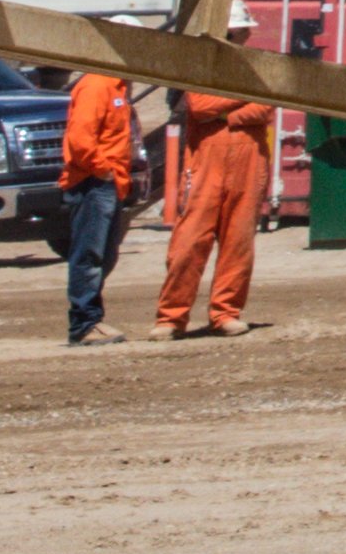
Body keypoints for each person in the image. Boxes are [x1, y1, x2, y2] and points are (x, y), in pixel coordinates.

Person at [149, 71, 276, 340]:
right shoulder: (202, 69)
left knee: (238, 243)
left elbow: (265, 107)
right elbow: (200, 106)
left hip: (249, 163)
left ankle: (226, 313)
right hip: (206, 164)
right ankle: (171, 317)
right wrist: (245, 100)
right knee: (189, 242)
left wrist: (227, 114)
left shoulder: (256, 69)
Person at [48, 63, 137, 346]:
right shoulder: (98, 85)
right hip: (93, 183)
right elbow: (80, 138)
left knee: (104, 256)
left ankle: (90, 319)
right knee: (89, 255)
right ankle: (84, 324)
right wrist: (102, 169)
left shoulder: (117, 86)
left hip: (107, 182)